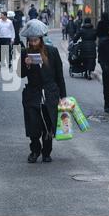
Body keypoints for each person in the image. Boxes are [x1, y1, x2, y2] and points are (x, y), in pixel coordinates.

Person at [19, 20, 67, 164]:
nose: (33, 43)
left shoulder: (52, 51)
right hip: (32, 94)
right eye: (31, 41)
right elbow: (20, 75)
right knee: (33, 126)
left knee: (48, 126)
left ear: (41, 39)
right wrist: (26, 65)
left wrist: (63, 97)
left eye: (36, 40)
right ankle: (35, 150)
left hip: (50, 93)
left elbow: (59, 75)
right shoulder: (24, 53)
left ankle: (46, 152)